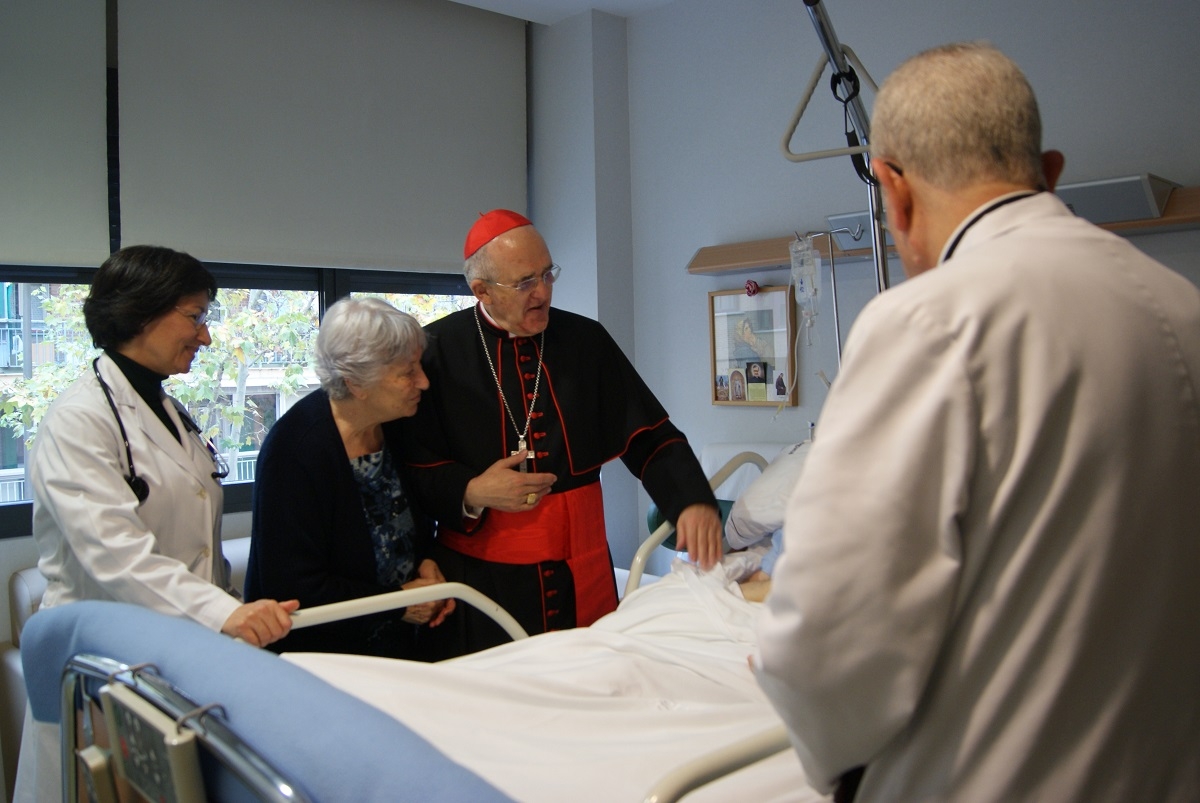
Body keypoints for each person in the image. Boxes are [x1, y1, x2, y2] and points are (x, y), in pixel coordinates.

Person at [754, 42, 1200, 803]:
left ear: (892, 191)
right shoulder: (1182, 307)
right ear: (1050, 172)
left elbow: (829, 634)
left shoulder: (926, 323)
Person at [18, 245, 299, 801]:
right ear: (141, 312)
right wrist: (227, 613)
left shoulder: (166, 410)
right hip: (103, 659)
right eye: (194, 316)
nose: (206, 336)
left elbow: (193, 543)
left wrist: (229, 605)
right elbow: (116, 555)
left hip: (175, 654)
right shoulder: (78, 422)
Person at [399, 209, 722, 656]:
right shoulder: (435, 354)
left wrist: (691, 501)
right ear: (482, 291)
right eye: (525, 282)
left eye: (548, 273)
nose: (544, 292)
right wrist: (471, 490)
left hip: (583, 572)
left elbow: (650, 436)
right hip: (481, 585)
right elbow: (408, 470)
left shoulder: (586, 342)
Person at [245, 297, 454, 658]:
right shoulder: (296, 450)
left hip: (399, 648)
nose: (423, 382)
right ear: (357, 383)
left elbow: (412, 523)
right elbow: (294, 588)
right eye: (407, 372)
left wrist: (429, 566)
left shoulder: (396, 428)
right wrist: (399, 602)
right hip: (324, 660)